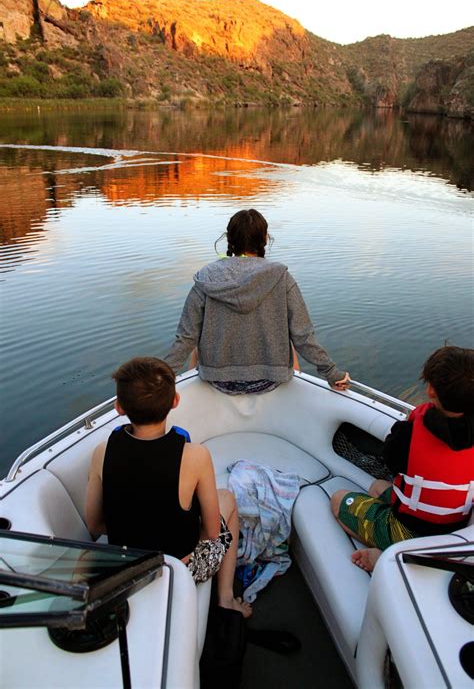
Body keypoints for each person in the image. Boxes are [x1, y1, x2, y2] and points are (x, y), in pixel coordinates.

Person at [85, 356, 252, 617]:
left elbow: (94, 525)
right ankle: (226, 598)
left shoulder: (102, 452)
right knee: (227, 499)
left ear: (119, 408)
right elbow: (209, 532)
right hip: (179, 570)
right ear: (175, 401)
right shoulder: (195, 456)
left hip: (127, 571)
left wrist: (138, 527)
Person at [164, 208, 349, 395]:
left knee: (196, 341)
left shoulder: (207, 278)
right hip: (269, 381)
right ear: (265, 238)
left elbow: (185, 339)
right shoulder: (281, 277)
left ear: (229, 239)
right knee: (292, 339)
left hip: (219, 381)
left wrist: (162, 379)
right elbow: (303, 336)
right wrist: (332, 373)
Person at [330, 345, 474, 571]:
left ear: (431, 391)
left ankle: (389, 554)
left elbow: (390, 461)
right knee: (377, 487)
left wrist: (408, 424)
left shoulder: (409, 434)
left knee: (338, 499)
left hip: (412, 533)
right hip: (454, 531)